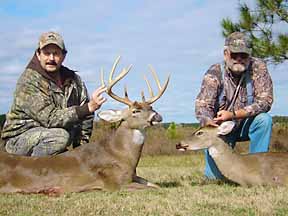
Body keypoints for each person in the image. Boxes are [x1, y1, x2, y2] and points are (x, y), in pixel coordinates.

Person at [1, 31, 107, 156]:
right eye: (46, 53)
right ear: (38, 54)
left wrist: (80, 150)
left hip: (53, 139)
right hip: (19, 139)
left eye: (56, 53)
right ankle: (34, 172)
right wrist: (87, 108)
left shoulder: (74, 81)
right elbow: (51, 119)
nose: (51, 58)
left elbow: (86, 118)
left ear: (63, 55)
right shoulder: (28, 81)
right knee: (59, 138)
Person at [195, 32, 273, 179]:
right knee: (215, 178)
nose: (239, 59)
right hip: (221, 130)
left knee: (264, 120)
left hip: (247, 124)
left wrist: (233, 115)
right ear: (226, 54)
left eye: (243, 55)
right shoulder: (214, 73)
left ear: (249, 55)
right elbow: (203, 107)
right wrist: (209, 123)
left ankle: (257, 170)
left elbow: (265, 101)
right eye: (234, 55)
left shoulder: (258, 67)